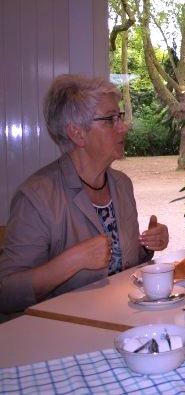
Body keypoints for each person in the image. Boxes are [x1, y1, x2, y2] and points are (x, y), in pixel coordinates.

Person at [0, 74, 169, 314]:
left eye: (119, 117)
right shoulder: (36, 197)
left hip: (122, 316)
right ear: (78, 134)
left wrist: (149, 244)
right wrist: (72, 261)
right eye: (110, 120)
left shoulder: (121, 185)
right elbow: (7, 294)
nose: (124, 127)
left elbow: (124, 266)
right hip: (64, 331)